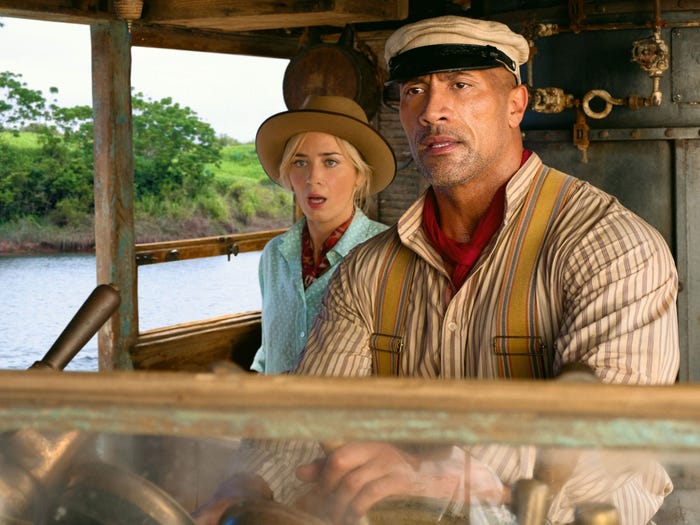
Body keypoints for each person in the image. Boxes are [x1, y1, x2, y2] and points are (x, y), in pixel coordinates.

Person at [194, 15, 680, 525]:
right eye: (414, 91)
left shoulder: (611, 245)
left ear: (516, 105)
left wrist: (457, 473)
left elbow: (614, 433)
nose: (431, 111)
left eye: (461, 85)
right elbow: (313, 408)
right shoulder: (367, 270)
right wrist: (249, 481)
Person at [250, 95, 396, 374]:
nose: (313, 178)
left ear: (359, 176)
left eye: (330, 162)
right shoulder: (273, 256)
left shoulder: (389, 256)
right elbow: (267, 350)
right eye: (300, 162)